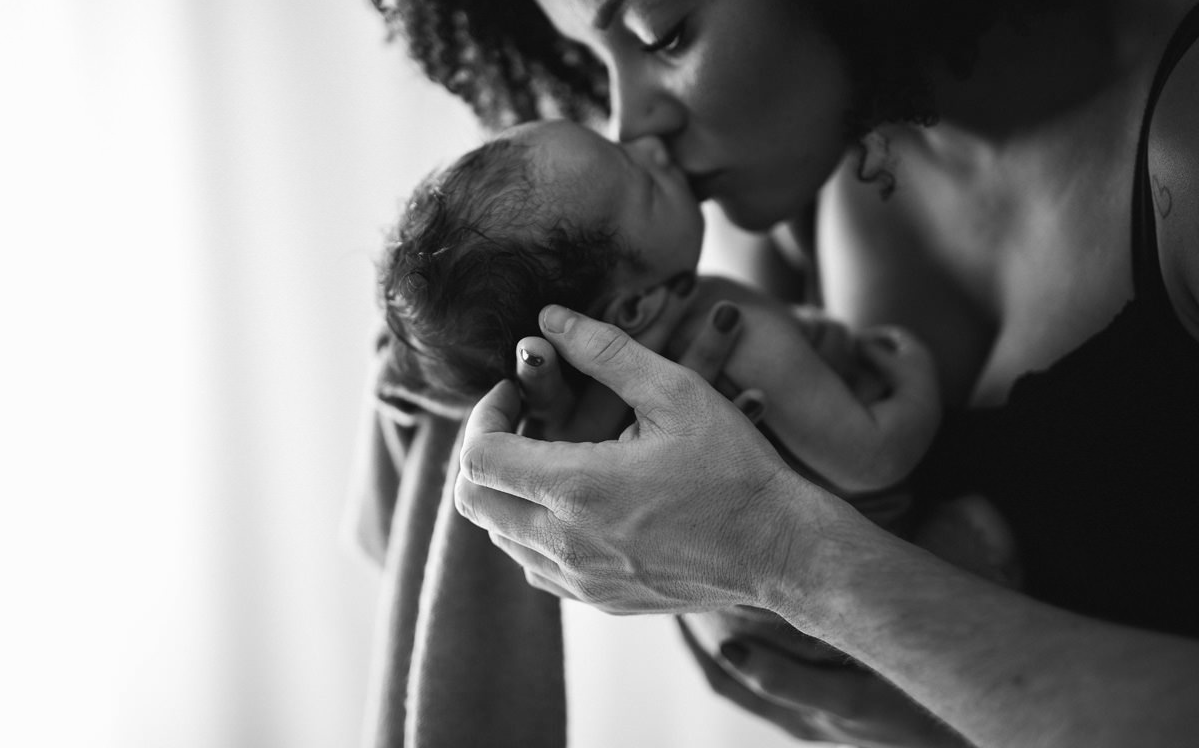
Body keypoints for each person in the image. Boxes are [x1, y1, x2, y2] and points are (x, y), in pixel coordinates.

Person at [358, 0, 1199, 745]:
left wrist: (785, 558)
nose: (630, 117)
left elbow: (788, 555)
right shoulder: (805, 179)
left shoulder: (1183, 150)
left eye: (663, 34)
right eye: (594, 54)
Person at [377, 118, 1016, 664]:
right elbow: (872, 459)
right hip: (874, 590)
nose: (650, 144)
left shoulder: (602, 401)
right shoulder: (734, 334)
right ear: (632, 307)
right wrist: (918, 381)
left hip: (773, 618)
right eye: (643, 179)